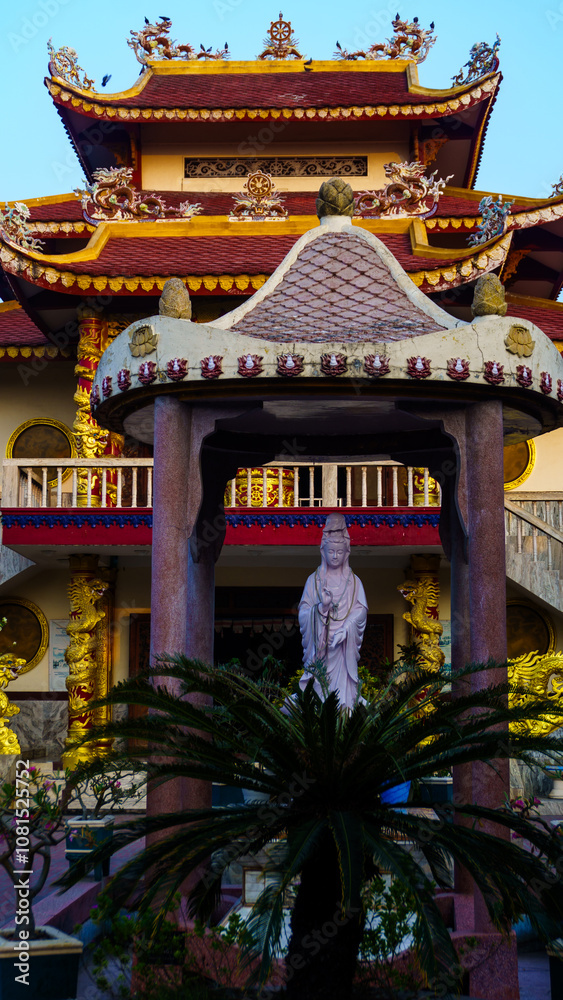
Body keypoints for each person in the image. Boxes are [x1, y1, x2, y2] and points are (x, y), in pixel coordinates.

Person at [298, 513, 367, 709]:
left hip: (343, 649)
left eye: (339, 551)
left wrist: (346, 629)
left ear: (346, 553)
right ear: (323, 551)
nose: (335, 556)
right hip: (321, 648)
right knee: (319, 693)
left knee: (343, 700)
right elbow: (304, 612)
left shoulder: (354, 582)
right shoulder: (314, 581)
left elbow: (360, 611)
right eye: (331, 551)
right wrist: (322, 608)